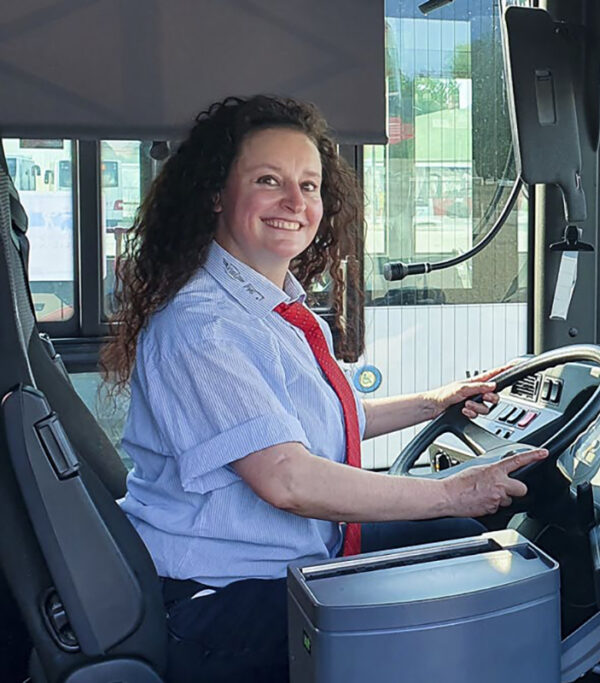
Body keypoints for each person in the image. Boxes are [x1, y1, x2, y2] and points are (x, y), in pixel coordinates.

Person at [102, 95, 547, 682]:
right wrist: (450, 492)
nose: (295, 202)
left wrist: (432, 403)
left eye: (309, 185)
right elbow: (287, 479)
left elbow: (327, 420)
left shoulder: (267, 305)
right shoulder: (205, 326)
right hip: (220, 602)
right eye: (268, 180)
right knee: (486, 585)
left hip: (285, 561)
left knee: (465, 541)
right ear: (215, 193)